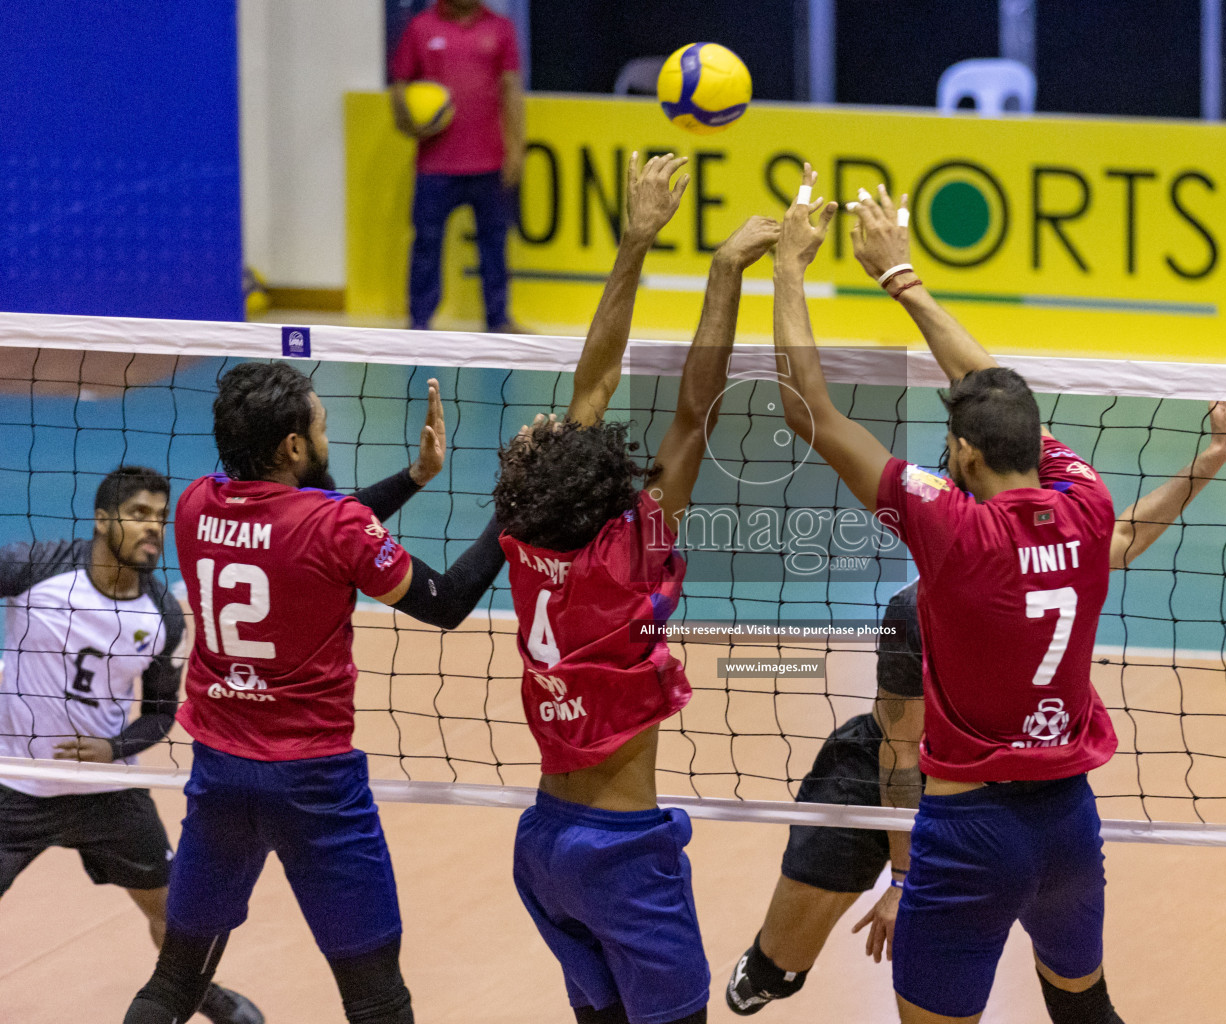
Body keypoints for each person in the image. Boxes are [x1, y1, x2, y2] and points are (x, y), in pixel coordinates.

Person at [766, 164, 1145, 1024]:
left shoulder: (955, 530)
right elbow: (1005, 397)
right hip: (1068, 826)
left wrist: (790, 269)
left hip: (972, 835)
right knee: (1085, 1010)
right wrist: (903, 280)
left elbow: (809, 411)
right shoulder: (1088, 504)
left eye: (952, 441)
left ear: (967, 457)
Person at [726, 401, 1226, 1015]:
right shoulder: (975, 584)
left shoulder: (985, 570)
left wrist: (904, 882)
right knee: (778, 965)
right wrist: (902, 878)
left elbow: (1122, 539)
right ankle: (774, 964)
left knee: (1059, 987)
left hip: (968, 787)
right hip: (915, 765)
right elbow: (897, 759)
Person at [122, 372, 509, 1024]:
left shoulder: (194, 506)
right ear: (295, 447)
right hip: (314, 787)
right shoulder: (336, 527)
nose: (330, 435)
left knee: (174, 982)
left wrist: (413, 476)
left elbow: (308, 526)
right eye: (325, 426)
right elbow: (445, 603)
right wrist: (515, 509)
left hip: (221, 775)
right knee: (376, 997)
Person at [493, 152, 779, 1024]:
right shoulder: (629, 553)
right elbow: (696, 410)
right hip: (621, 856)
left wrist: (633, 242)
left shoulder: (525, 539)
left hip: (541, 847)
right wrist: (725, 270)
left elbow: (593, 382)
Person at [0, 467, 259, 1023]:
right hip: (14, 783)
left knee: (174, 910)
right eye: (140, 514)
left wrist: (112, 749)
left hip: (106, 791)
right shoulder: (35, 568)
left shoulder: (161, 615)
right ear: (101, 519)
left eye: (160, 518)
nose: (153, 529)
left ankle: (197, 993)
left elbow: (162, 711)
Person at [390, 0, 527, 333]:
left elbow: (511, 90)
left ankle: (498, 319)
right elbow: (399, 86)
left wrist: (516, 149)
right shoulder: (420, 28)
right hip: (435, 165)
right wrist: (409, 123)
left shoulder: (500, 27)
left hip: (489, 161)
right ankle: (419, 321)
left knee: (495, 243)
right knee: (426, 243)